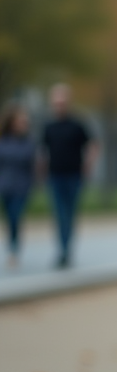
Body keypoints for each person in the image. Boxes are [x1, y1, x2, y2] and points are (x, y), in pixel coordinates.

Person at [40, 84, 96, 269]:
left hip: (74, 175)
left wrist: (88, 165)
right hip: (55, 176)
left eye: (62, 102)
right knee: (59, 214)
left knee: (70, 213)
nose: (59, 106)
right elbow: (43, 150)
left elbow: (92, 144)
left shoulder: (77, 124)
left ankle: (66, 249)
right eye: (56, 103)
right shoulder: (49, 126)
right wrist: (41, 169)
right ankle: (63, 251)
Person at [0, 105, 38, 269]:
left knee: (16, 216)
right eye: (20, 122)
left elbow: (33, 166)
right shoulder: (3, 141)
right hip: (5, 185)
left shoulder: (28, 143)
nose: (23, 125)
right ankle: (12, 246)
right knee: (9, 219)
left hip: (22, 186)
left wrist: (34, 184)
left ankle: (14, 250)